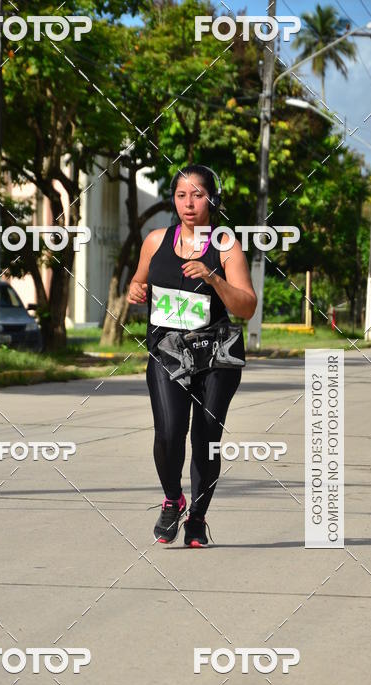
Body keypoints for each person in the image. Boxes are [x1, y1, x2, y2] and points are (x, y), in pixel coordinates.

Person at [127, 164, 257, 546]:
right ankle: (173, 499)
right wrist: (136, 289)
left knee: (206, 437)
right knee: (169, 433)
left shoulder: (225, 245)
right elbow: (138, 280)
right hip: (167, 352)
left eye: (197, 195)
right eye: (181, 195)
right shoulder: (155, 240)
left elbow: (246, 306)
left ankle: (197, 518)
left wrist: (213, 277)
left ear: (212, 199)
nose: (188, 203)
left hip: (214, 356)